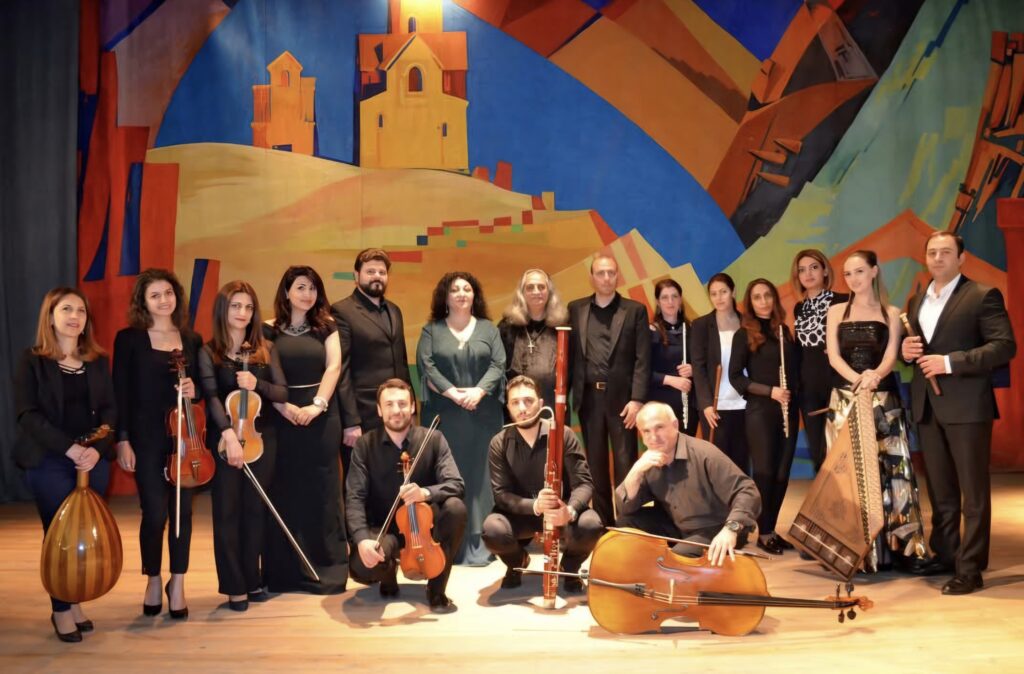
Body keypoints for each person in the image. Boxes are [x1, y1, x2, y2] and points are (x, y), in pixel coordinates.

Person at [901, 231, 1016, 595]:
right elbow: (919, 350)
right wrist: (906, 352)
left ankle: (971, 567)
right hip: (927, 404)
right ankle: (947, 553)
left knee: (973, 492)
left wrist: (950, 362)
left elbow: (1004, 346)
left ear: (961, 258)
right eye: (932, 252)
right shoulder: (917, 300)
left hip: (967, 406)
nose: (938, 258)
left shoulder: (982, 295)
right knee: (940, 488)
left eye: (946, 252)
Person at [14, 288, 116, 642]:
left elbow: (110, 411)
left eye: (81, 311)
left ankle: (73, 601)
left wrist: (97, 450)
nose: (75, 317)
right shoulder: (32, 360)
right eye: (66, 309)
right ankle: (61, 609)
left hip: (91, 460)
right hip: (50, 459)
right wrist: (70, 449)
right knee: (58, 537)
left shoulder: (97, 360)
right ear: (51, 316)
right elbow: (27, 414)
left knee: (84, 534)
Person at [825, 251, 931, 574]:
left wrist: (874, 377)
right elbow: (833, 356)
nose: (853, 279)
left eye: (859, 271)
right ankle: (853, 551)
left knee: (895, 472)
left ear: (874, 271)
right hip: (845, 400)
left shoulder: (892, 313)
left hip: (885, 400)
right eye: (847, 274)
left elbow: (890, 357)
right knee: (847, 476)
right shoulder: (836, 311)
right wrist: (860, 380)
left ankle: (903, 550)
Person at [113, 268, 202, 619]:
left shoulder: (191, 339)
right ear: (143, 301)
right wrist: (122, 439)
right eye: (155, 295)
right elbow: (120, 392)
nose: (164, 300)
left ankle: (177, 582)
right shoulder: (129, 339)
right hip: (146, 438)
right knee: (154, 512)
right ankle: (153, 578)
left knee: (183, 512)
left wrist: (195, 389)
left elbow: (203, 388)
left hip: (185, 439)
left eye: (168, 293)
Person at [198, 281, 287, 611]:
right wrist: (227, 434)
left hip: (262, 439)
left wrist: (257, 383)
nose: (243, 313)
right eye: (236, 306)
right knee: (227, 512)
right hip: (225, 439)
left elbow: (282, 392)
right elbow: (210, 397)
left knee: (255, 511)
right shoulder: (209, 352)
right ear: (223, 309)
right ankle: (234, 585)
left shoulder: (266, 349)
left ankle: (253, 578)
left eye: (248, 307)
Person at [346, 379, 466, 613]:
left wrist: (425, 493)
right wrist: (362, 540)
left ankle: (437, 588)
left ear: (412, 407)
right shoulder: (364, 445)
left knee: (456, 508)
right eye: (389, 404)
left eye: (402, 404)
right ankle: (388, 575)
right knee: (361, 564)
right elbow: (354, 497)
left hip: (424, 527)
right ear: (379, 410)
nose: (396, 410)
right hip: (385, 528)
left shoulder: (433, 439)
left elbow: (456, 484)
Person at [263, 265, 348, 593]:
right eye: (300, 287)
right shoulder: (267, 329)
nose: (307, 294)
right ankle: (285, 573)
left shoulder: (327, 326)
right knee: (285, 489)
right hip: (281, 416)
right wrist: (284, 407)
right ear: (286, 292)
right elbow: (266, 373)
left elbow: (334, 367)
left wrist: (317, 406)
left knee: (323, 491)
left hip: (322, 417)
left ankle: (326, 569)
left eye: (313, 288)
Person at [416, 271, 506, 565]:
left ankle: (482, 542)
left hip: (483, 416)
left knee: (481, 478)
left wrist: (478, 392)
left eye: (467, 289)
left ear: (474, 295)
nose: (461, 294)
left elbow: (499, 365)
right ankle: (449, 542)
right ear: (445, 296)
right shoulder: (431, 331)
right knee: (449, 476)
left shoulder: (489, 329)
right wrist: (454, 393)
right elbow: (427, 367)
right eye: (455, 289)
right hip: (446, 417)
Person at [482, 376, 603, 593]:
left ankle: (569, 568)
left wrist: (570, 511)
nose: (522, 408)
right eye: (515, 402)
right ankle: (517, 563)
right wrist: (536, 505)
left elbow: (584, 483)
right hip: (521, 514)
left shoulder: (564, 434)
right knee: (493, 530)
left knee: (591, 524)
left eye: (528, 401)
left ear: (540, 403)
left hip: (560, 512)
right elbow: (501, 495)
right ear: (508, 407)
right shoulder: (498, 443)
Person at [615, 402, 760, 565]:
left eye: (659, 428)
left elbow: (747, 491)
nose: (653, 437)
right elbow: (626, 508)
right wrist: (635, 472)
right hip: (677, 525)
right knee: (626, 524)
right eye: (646, 431)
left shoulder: (705, 453)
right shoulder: (649, 460)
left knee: (677, 559)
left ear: (675, 425)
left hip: (715, 528)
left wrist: (731, 529)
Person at [568, 253, 651, 527]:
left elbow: (642, 359)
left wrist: (637, 400)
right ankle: (603, 524)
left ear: (618, 276)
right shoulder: (576, 309)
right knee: (595, 466)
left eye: (611, 273)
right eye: (600, 273)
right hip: (589, 399)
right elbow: (570, 355)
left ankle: (627, 524)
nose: (606, 278)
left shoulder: (635, 310)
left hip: (623, 402)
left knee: (627, 464)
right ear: (591, 277)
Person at [729, 279, 799, 556]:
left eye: (767, 295)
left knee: (782, 473)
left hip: (787, 410)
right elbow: (736, 377)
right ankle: (764, 532)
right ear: (750, 303)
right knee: (765, 473)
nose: (763, 301)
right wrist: (771, 391)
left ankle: (772, 527)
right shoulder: (743, 334)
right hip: (761, 410)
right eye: (757, 297)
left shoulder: (783, 331)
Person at [331, 249, 412, 479]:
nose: (377, 276)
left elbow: (402, 361)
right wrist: (350, 421)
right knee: (361, 484)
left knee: (397, 480)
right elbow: (341, 369)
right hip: (362, 416)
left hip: (396, 414)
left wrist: (409, 406)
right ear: (356, 275)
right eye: (370, 271)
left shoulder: (394, 310)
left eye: (382, 272)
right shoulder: (342, 311)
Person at [791, 249, 848, 472]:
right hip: (808, 388)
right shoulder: (799, 308)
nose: (808, 274)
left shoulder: (842, 301)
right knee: (818, 449)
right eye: (802, 270)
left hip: (838, 381)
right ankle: (824, 493)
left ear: (825, 271)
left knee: (841, 447)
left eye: (814, 267)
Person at [691, 273, 748, 472]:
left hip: (744, 402)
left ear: (733, 292)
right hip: (715, 406)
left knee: (741, 463)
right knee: (718, 466)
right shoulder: (701, 325)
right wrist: (706, 404)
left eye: (723, 292)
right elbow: (698, 367)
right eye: (714, 294)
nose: (719, 298)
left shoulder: (747, 322)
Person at [497, 268, 569, 424]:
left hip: (552, 405)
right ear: (521, 293)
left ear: (549, 291)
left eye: (541, 287)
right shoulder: (507, 327)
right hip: (518, 408)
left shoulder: (563, 326)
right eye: (530, 287)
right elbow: (499, 368)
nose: (536, 292)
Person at [647, 278, 697, 436]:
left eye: (674, 296)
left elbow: (705, 364)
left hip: (689, 404)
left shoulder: (693, 330)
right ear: (657, 302)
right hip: (661, 404)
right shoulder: (649, 332)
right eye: (665, 297)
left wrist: (694, 369)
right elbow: (641, 372)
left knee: (686, 446)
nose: (670, 302)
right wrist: (671, 380)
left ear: (680, 300)